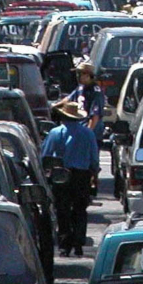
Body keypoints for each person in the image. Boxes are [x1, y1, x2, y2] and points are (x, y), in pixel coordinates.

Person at [40, 102, 100, 257]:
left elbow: (45, 155)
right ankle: (78, 243)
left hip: (61, 175)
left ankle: (65, 244)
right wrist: (95, 175)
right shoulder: (88, 133)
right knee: (80, 209)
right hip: (82, 175)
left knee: (63, 209)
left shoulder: (55, 133)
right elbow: (94, 159)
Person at [53, 62, 105, 142]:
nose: (77, 77)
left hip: (91, 132)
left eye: (79, 74)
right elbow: (68, 99)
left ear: (87, 75)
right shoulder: (80, 87)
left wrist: (87, 133)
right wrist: (54, 106)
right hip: (79, 128)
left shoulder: (95, 92)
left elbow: (95, 116)